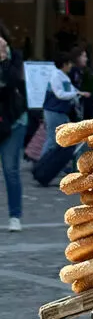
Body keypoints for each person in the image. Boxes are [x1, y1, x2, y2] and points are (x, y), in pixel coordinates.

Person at [0, 30, 27, 231]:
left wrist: (4, 61)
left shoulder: (15, 57)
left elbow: (12, 83)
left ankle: (15, 216)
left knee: (10, 169)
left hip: (14, 120)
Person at [41, 52, 89, 158]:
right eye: (69, 63)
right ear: (64, 64)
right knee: (52, 139)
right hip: (53, 111)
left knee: (61, 138)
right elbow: (60, 94)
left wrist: (80, 93)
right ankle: (42, 164)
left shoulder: (63, 76)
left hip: (61, 111)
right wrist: (77, 93)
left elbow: (71, 90)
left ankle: (53, 164)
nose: (71, 66)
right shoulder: (56, 76)